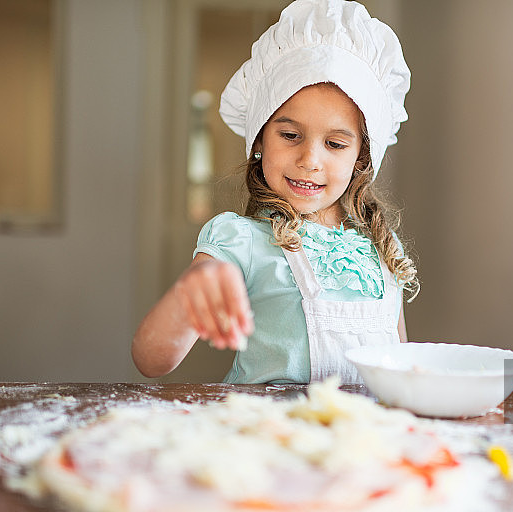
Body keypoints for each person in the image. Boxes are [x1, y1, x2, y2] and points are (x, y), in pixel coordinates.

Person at [132, 0, 418, 384]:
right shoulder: (240, 241)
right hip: (270, 439)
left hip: (362, 441)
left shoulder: (385, 247)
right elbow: (151, 360)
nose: (309, 159)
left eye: (335, 144)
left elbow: (405, 368)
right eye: (290, 135)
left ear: (361, 158)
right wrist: (189, 296)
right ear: (259, 140)